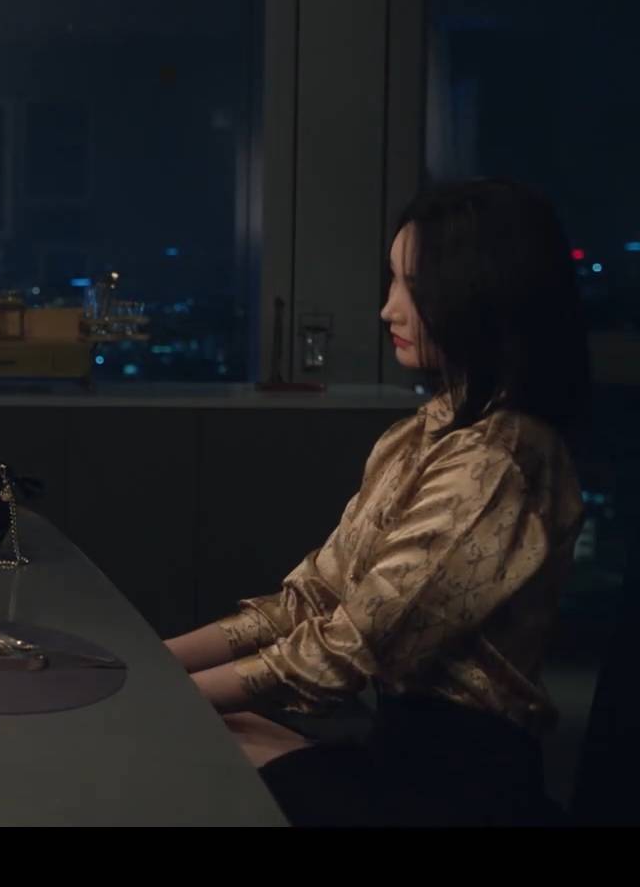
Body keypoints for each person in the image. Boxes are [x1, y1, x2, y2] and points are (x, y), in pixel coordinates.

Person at [166, 178, 590, 826]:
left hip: (458, 793)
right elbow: (311, 601)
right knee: (206, 730)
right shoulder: (425, 431)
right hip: (397, 754)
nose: (388, 309)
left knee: (186, 751)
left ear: (484, 293)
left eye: (413, 286)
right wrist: (156, 661)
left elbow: (346, 647)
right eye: (392, 280)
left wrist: (165, 695)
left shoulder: (497, 461)